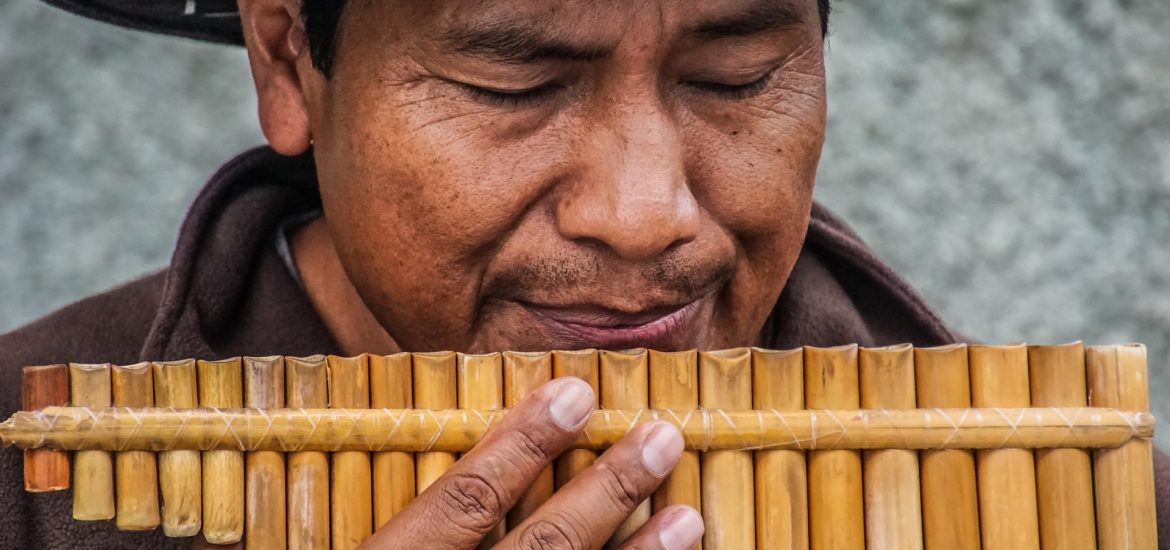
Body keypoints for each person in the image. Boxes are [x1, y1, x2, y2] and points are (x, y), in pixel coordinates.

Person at [0, 1, 1165, 549]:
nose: (642, 213)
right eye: (517, 87)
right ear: (289, 59)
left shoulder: (1096, 512)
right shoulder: (23, 487)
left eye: (737, 76)